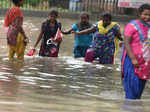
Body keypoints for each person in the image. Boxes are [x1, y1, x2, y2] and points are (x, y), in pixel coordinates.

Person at [121, 4, 150, 99]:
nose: (147, 17)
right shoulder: (131, 25)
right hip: (132, 62)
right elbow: (127, 43)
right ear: (139, 13)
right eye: (145, 14)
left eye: (149, 15)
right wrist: (133, 59)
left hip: (145, 63)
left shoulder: (149, 26)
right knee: (131, 90)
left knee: (139, 91)